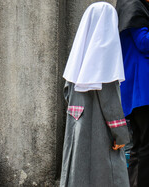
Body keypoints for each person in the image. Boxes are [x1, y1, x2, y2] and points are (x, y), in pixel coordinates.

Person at [60, 2, 130, 187]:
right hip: (101, 134)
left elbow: (67, 92)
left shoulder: (78, 58)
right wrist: (121, 135)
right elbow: (111, 104)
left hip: (77, 128)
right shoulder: (105, 60)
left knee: (77, 173)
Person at [116, 0, 149, 186]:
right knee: (144, 146)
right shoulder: (134, 6)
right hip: (143, 89)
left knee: (139, 146)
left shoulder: (129, 5)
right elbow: (144, 43)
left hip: (137, 90)